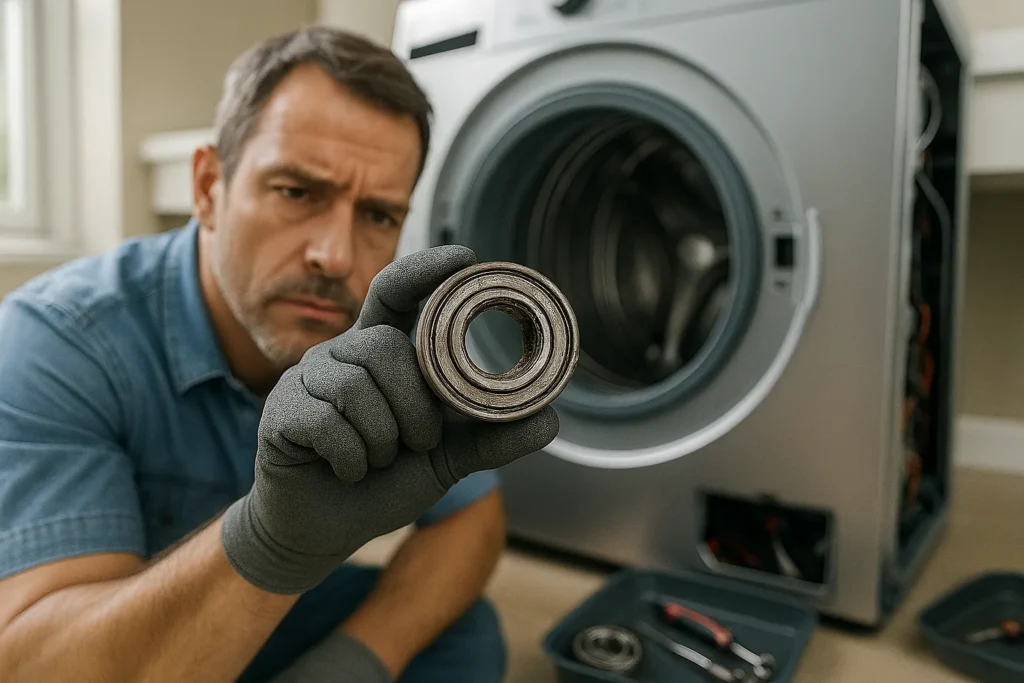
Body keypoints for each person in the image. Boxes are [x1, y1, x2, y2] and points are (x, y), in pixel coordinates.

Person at [0, 26, 559, 683]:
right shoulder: (57, 341)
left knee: (464, 634)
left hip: (255, 616)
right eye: (297, 192)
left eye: (378, 215)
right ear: (208, 187)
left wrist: (355, 659)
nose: (337, 256)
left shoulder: (377, 332)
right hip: (117, 631)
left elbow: (471, 521)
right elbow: (34, 666)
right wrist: (269, 542)